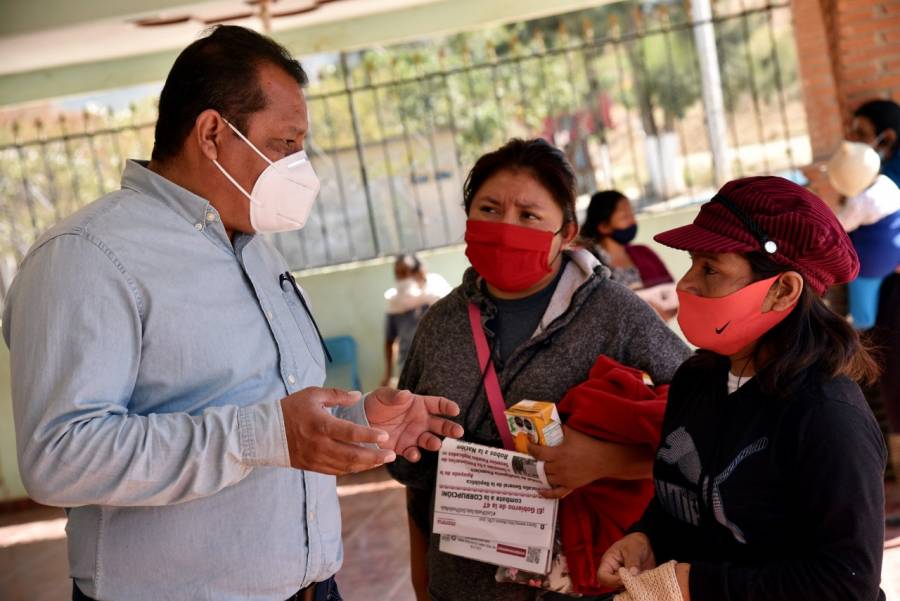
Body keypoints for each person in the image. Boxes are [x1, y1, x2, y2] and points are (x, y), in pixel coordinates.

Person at [2, 26, 464, 601]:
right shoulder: (88, 257)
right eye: (285, 144)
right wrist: (260, 436)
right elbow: (59, 457)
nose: (301, 167)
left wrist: (356, 421)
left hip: (315, 588)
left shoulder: (255, 248)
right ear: (213, 133)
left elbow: (273, 407)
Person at [387, 138, 692, 601]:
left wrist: (606, 461)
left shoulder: (616, 314)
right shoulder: (440, 324)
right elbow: (417, 477)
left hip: (586, 583)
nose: (506, 227)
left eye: (529, 215)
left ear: (566, 232)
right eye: (489, 209)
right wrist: (423, 585)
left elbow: (712, 429)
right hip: (461, 587)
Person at [598, 176, 887, 601]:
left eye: (710, 268)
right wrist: (646, 538)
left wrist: (697, 584)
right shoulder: (696, 380)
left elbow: (847, 583)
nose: (686, 284)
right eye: (693, 263)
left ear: (783, 290)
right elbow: (686, 495)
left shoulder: (827, 416)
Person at [848, 98, 900, 437]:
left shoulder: (886, 179)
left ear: (888, 138)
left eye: (863, 134)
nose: (856, 142)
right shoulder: (872, 176)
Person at [826, 140, 900, 329]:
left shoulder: (860, 201)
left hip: (871, 264)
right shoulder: (887, 182)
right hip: (895, 251)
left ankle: (860, 329)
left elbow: (842, 225)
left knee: (863, 312)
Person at [579, 190, 677, 320]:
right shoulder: (586, 263)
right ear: (603, 226)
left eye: (632, 214)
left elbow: (672, 295)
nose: (632, 221)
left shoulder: (644, 253)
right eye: (624, 217)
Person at [381, 253, 451, 387]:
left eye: (405, 272)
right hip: (409, 367)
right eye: (398, 274)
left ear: (419, 271)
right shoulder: (395, 303)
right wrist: (388, 375)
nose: (401, 278)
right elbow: (389, 341)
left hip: (441, 363)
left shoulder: (437, 292)